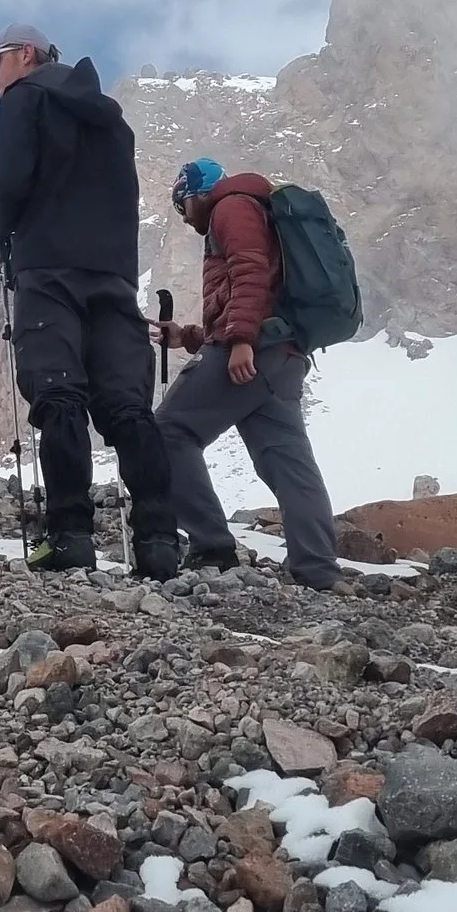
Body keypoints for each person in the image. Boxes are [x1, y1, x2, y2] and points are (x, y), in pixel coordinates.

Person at [0, 22, 179, 578]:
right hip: (113, 274)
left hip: (49, 270)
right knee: (127, 405)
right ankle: (158, 540)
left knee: (58, 394)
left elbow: (9, 178)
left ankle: (71, 537)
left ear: (25, 55)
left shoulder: (23, 100)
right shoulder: (112, 118)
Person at [155, 156, 340, 589]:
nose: (184, 219)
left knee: (166, 431)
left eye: (182, 207)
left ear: (197, 195)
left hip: (253, 349)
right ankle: (318, 570)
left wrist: (240, 341)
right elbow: (260, 290)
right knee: (288, 461)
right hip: (283, 355)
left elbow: (250, 270)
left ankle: (212, 547)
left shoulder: (230, 207)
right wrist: (189, 336)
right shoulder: (254, 205)